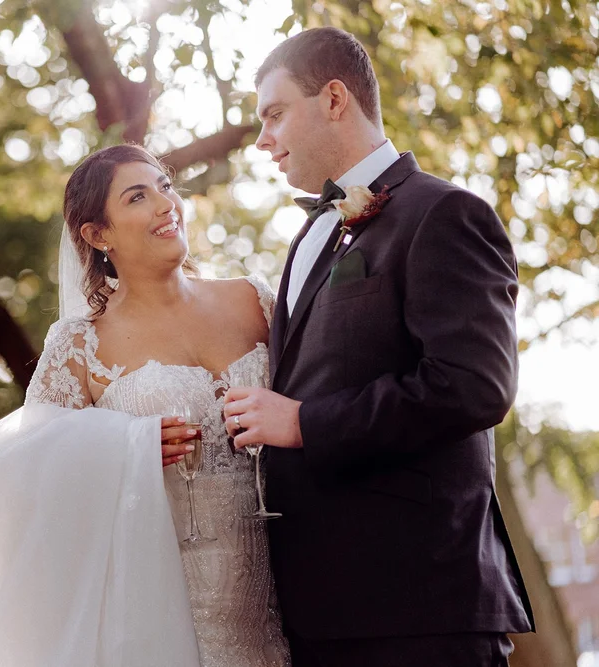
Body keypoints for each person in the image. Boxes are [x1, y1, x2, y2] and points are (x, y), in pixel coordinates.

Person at [222, 26, 534, 667]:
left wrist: (304, 422)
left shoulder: (444, 214)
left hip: (420, 608)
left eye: (275, 114)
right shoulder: (308, 236)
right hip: (319, 612)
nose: (262, 140)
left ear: (334, 99)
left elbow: (472, 386)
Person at [0, 144, 290, 667]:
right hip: (161, 612)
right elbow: (22, 480)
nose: (166, 204)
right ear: (98, 235)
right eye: (139, 197)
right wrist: (126, 447)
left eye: (165, 186)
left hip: (291, 595)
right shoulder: (77, 345)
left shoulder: (255, 300)